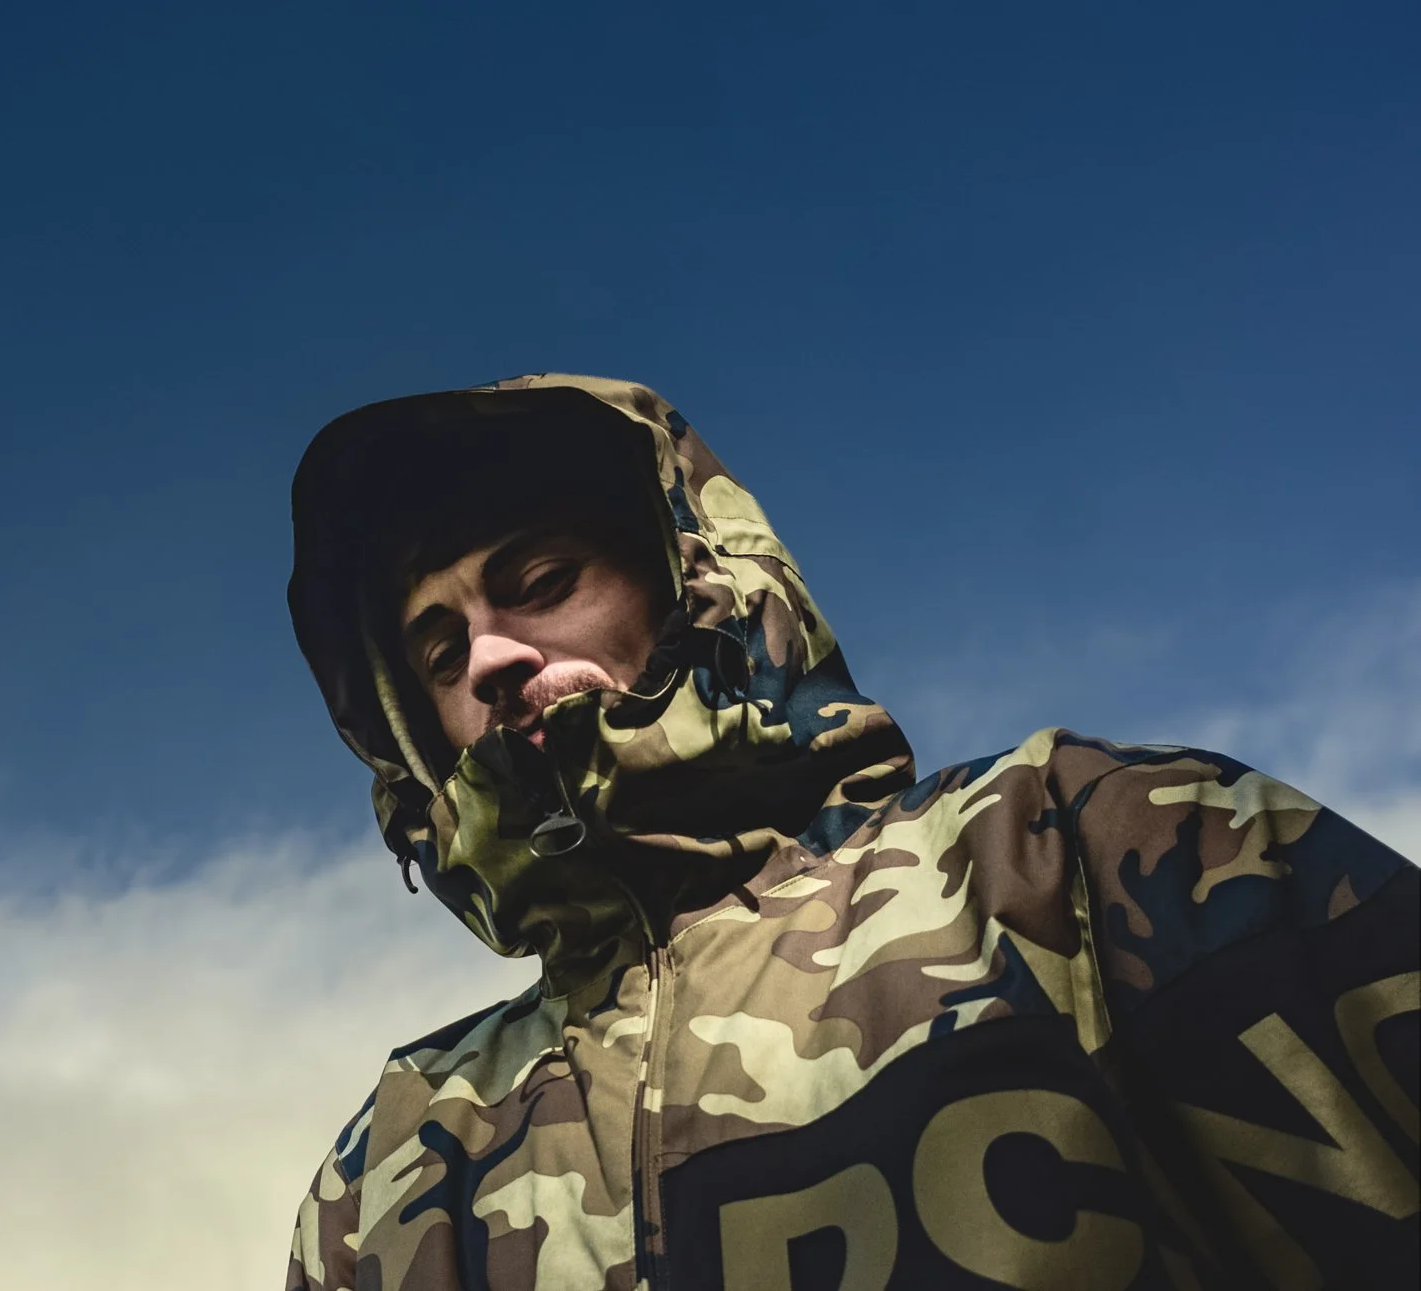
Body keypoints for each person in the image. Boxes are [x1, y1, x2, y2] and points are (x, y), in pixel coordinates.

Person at [283, 374, 1418, 1291]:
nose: (488, 659)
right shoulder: (396, 1165)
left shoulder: (1071, 851)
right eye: (439, 654)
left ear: (692, 580)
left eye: (539, 580)